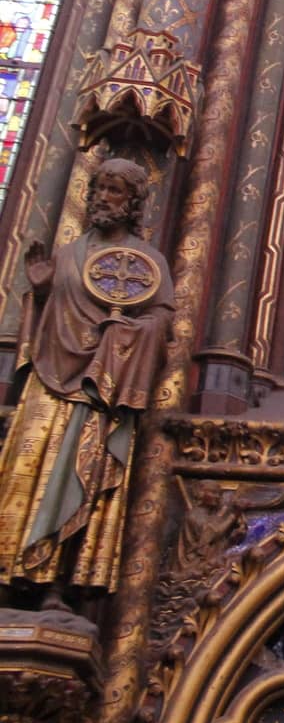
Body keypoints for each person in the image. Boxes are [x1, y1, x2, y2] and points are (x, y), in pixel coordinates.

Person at [0, 158, 173, 592]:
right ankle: (10, 573)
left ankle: (57, 584)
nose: (103, 197)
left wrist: (124, 334)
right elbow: (43, 318)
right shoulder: (68, 255)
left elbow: (162, 322)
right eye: (98, 188)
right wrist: (42, 291)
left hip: (98, 390)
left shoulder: (146, 263)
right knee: (25, 468)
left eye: (114, 190)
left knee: (79, 475)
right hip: (49, 380)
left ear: (132, 203)